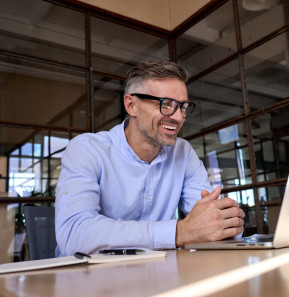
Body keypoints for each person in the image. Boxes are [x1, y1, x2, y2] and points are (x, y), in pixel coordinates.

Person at [55, 61, 244, 256]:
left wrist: (226, 221)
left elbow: (213, 223)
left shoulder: (183, 152)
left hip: (158, 273)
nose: (178, 117)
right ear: (131, 105)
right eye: (166, 104)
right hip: (88, 279)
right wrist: (179, 232)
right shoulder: (87, 149)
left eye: (183, 106)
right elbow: (73, 234)